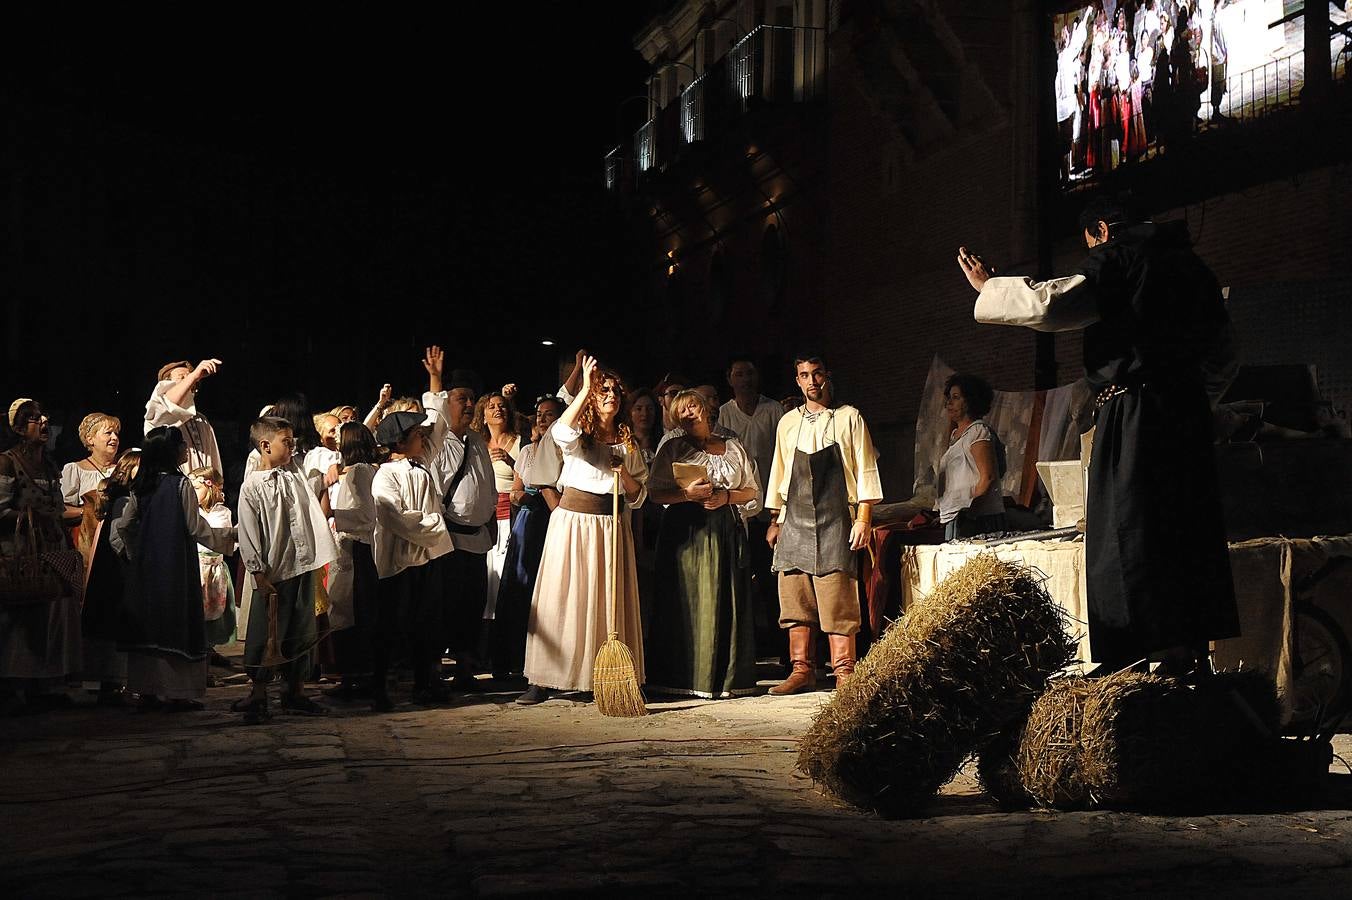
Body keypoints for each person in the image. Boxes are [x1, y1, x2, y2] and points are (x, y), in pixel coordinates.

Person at [957, 196, 1240, 675]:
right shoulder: (1194, 267)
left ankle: (1134, 659)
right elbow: (1225, 353)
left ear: (1103, 230)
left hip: (1135, 412)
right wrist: (1192, 396)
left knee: (1127, 529)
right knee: (1183, 527)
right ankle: (1187, 651)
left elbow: (1058, 301)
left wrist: (991, 288)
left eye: (1089, 242)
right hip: (1186, 414)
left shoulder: (1122, 255)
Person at [518, 357, 649, 705]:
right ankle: (544, 678)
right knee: (564, 599)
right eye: (603, 390)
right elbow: (560, 431)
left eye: (614, 391)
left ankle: (603, 676)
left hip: (611, 526)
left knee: (606, 602)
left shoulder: (627, 441)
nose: (610, 395)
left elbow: (639, 496)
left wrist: (625, 475)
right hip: (574, 524)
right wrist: (586, 389)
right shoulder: (580, 435)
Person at [764, 354, 882, 694]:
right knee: (795, 597)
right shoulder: (787, 422)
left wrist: (863, 518)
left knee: (838, 597)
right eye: (804, 375)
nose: (812, 380)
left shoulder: (849, 417)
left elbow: (865, 470)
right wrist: (776, 519)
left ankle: (844, 671)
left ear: (827, 376)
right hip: (795, 519)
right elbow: (780, 472)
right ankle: (802, 669)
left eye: (817, 374)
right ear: (797, 380)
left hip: (835, 518)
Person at [646, 389, 761, 698]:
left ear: (708, 408)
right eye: (681, 411)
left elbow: (751, 491)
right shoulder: (672, 449)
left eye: (693, 405)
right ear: (676, 419)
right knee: (691, 601)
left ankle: (725, 678)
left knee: (725, 597)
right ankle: (685, 676)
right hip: (686, 532)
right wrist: (687, 495)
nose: (689, 413)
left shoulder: (733, 447)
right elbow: (655, 493)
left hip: (724, 528)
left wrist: (725, 497)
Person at [110, 426, 235, 710]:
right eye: (181, 445)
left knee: (149, 623)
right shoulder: (181, 485)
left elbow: (125, 525)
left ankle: (147, 691)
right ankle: (175, 692)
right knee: (174, 620)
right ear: (171, 451)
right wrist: (230, 537)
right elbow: (196, 527)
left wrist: (135, 553)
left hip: (147, 567)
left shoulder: (141, 486)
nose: (186, 449)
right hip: (176, 564)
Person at [235, 416, 338, 724]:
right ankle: (258, 693)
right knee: (267, 633)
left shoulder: (293, 475)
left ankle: (295, 691)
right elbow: (249, 533)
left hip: (302, 564)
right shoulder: (252, 486)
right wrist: (257, 572)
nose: (293, 447)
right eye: (287, 442)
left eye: (293, 441)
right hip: (274, 572)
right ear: (265, 446)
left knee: (301, 629)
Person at [0, 399, 83, 715]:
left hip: (51, 551)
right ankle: (12, 685)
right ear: (19, 428)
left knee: (51, 617)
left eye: (43, 416)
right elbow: (1, 509)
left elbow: (59, 507)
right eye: (34, 419)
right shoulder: (8, 463)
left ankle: (44, 684)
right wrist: (33, 516)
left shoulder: (49, 466)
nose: (43, 421)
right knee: (20, 621)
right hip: (20, 555)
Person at [421, 348, 495, 691]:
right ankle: (433, 673)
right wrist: (436, 378)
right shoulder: (437, 439)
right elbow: (433, 410)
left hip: (477, 539)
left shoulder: (477, 439)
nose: (468, 405)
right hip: (449, 539)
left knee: (471, 605)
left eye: (472, 399)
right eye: (461, 398)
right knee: (442, 608)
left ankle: (465, 669)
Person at [371, 410, 455, 710]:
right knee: (391, 625)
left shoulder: (420, 464)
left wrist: (434, 386)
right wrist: (435, 526)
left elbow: (439, 426)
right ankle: (380, 687)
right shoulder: (386, 475)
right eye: (416, 434)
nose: (423, 437)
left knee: (427, 623)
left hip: (427, 558)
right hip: (400, 562)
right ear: (400, 442)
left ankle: (424, 682)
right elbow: (396, 518)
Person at [491, 395, 564, 680]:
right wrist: (524, 497)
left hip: (559, 516)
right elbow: (515, 490)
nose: (542, 419)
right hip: (532, 519)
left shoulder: (568, 450)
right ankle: (512, 658)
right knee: (521, 586)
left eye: (549, 414)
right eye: (539, 414)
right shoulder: (529, 451)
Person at [718, 358, 785, 658]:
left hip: (769, 504)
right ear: (730, 379)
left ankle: (783, 650)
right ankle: (745, 653)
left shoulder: (773, 410)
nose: (744, 379)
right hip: (737, 508)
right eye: (738, 374)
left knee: (772, 582)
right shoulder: (724, 414)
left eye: (749, 373)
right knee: (740, 582)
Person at [324, 422, 381, 702]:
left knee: (353, 611)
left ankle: (356, 676)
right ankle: (353, 675)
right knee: (349, 610)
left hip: (356, 547)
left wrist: (333, 513)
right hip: (351, 546)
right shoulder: (360, 471)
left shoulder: (359, 471)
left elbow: (365, 513)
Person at [80, 451, 141, 706]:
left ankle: (114, 682)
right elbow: (118, 538)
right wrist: (135, 557)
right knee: (112, 622)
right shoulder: (123, 501)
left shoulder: (126, 499)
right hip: (116, 571)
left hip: (117, 569)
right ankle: (110, 683)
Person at [472, 392, 522, 644]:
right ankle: (482, 641)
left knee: (504, 577)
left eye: (501, 406)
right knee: (485, 577)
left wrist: (512, 461)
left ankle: (502, 640)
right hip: (484, 517)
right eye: (490, 407)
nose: (497, 410)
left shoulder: (519, 442)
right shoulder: (478, 444)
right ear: (483, 415)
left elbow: (530, 478)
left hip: (509, 513)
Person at [937, 374, 1006, 541]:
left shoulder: (977, 432)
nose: (949, 403)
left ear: (969, 401)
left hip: (977, 520)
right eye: (949, 398)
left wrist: (971, 511)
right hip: (957, 517)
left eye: (956, 397)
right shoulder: (956, 436)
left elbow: (988, 477)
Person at [143, 359, 225, 481]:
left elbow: (214, 459)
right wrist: (194, 375)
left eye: (192, 379)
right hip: (174, 490)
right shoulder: (157, 411)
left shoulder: (201, 420)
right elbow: (167, 402)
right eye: (182, 378)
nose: (191, 381)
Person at [190, 467, 237, 650]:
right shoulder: (192, 513)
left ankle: (209, 657)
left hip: (214, 571)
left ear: (210, 488)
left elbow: (221, 539)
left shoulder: (222, 513)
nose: (193, 493)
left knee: (214, 619)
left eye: (196, 488)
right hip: (197, 569)